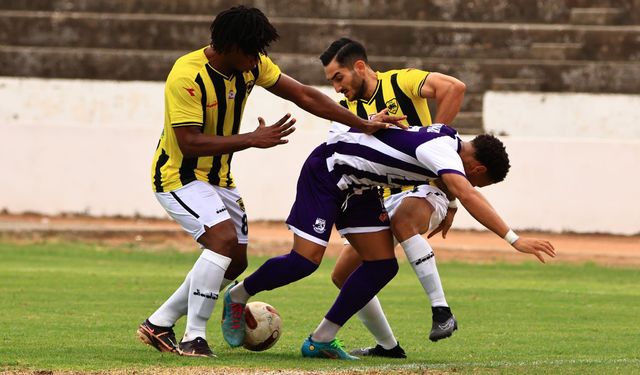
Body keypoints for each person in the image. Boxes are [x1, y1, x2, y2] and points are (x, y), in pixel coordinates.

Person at [136, 6, 395, 358]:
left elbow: (303, 94)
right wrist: (251, 138)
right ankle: (193, 337)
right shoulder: (187, 76)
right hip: (178, 176)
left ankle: (159, 322)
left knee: (236, 261)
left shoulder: (251, 65)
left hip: (219, 178)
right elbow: (189, 142)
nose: (257, 59)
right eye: (251, 51)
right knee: (222, 241)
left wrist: (359, 123)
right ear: (229, 46)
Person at [223, 122, 556, 359]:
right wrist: (514, 239)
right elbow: (465, 191)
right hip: (329, 172)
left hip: (360, 187)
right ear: (478, 168)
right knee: (304, 261)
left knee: (382, 265)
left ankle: (321, 340)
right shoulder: (444, 152)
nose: (473, 184)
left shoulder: (447, 137)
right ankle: (237, 296)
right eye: (479, 181)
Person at [319, 37, 467, 357]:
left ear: (359, 67)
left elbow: (454, 88)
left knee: (403, 221)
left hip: (424, 188)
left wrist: (435, 140)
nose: (336, 89)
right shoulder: (349, 110)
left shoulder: (400, 81)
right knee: (342, 275)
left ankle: (441, 311)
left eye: (338, 78)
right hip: (380, 198)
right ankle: (388, 347)